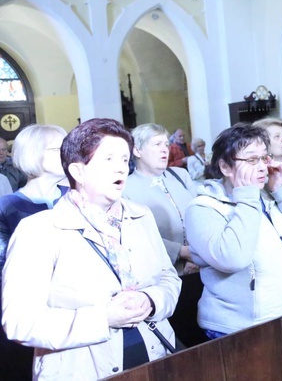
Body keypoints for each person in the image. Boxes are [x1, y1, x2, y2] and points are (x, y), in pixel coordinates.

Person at [2, 118, 181, 380]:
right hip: (82, 368)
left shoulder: (140, 216)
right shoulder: (39, 231)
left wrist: (152, 300)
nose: (120, 168)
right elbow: (21, 323)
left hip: (155, 357)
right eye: (108, 159)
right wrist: (105, 318)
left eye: (123, 159)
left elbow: (169, 277)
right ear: (78, 171)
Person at [184, 122, 282, 337]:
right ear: (225, 167)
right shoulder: (203, 208)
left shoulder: (272, 193)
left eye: (264, 157)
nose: (262, 167)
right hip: (243, 329)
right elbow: (233, 258)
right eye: (252, 159)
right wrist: (247, 196)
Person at [0, 124, 68, 381]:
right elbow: (4, 270)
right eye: (57, 149)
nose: (67, 154)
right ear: (33, 154)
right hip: (33, 315)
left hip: (76, 311)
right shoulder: (7, 207)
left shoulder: (76, 199)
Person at [123, 123, 198, 275]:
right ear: (137, 150)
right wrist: (181, 252)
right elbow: (135, 236)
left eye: (166, 144)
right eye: (157, 144)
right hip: (164, 273)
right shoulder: (125, 188)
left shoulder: (180, 175)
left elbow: (201, 217)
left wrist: (198, 256)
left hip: (201, 267)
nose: (165, 149)